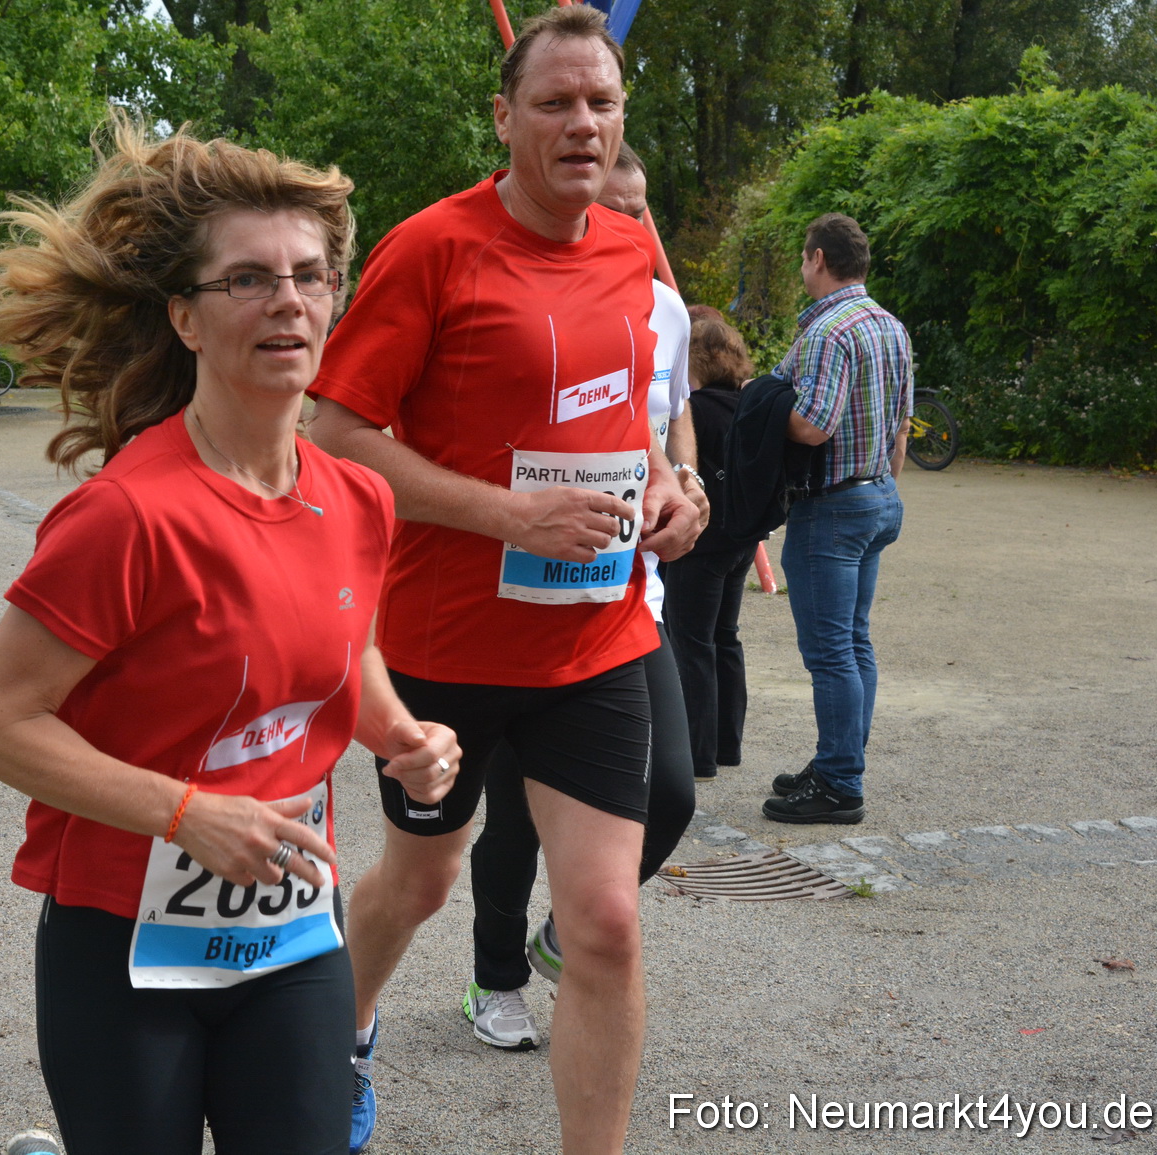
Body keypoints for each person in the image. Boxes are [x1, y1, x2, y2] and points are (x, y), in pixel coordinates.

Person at [0, 119, 460, 1155]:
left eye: (310, 276)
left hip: (288, 930)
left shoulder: (359, 497)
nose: (287, 298)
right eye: (248, 280)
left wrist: (400, 737)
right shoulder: (126, 516)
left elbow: (340, 646)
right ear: (185, 318)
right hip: (123, 945)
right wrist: (185, 812)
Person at [304, 8, 702, 1152]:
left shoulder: (629, 250)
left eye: (601, 103)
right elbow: (335, 432)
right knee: (419, 884)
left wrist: (676, 486)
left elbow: (629, 417)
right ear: (503, 116)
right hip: (443, 647)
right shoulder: (434, 247)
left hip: (594, 640)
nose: (583, 124)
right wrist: (508, 513)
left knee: (607, 925)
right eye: (555, 103)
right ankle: (347, 1032)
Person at [459, 141, 705, 1053]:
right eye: (615, 205)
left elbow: (669, 418)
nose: (631, 224)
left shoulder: (669, 311)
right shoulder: (521, 289)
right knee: (515, 815)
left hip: (631, 599)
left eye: (642, 209)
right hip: (519, 599)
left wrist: (686, 484)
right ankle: (495, 979)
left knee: (671, 792)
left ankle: (567, 935)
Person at [762, 213, 912, 824]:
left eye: (803, 259)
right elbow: (902, 421)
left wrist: (765, 407)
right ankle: (836, 761)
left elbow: (813, 424)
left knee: (831, 653)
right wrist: (881, 485)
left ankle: (840, 784)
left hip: (832, 509)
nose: (803, 268)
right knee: (855, 642)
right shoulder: (889, 326)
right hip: (877, 495)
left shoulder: (829, 331)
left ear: (818, 259)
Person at [664, 311, 761, 781]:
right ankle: (728, 744)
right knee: (726, 636)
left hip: (701, 544)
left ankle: (698, 755)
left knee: (691, 641)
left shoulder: (694, 412)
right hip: (741, 541)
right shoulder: (745, 404)